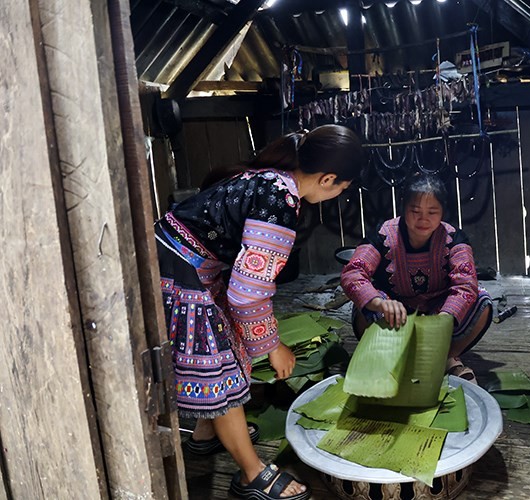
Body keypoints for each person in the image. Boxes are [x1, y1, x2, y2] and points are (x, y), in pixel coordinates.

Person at [155, 124, 362, 500]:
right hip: (176, 270)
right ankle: (253, 474)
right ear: (329, 179)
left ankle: (205, 434)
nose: (336, 196)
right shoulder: (280, 202)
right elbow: (247, 296)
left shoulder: (271, 178)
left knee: (227, 347)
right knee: (222, 371)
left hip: (179, 261)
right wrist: (272, 346)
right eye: (340, 190)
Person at [340, 174, 492, 384]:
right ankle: (392, 358)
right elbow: (353, 273)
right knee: (364, 306)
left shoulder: (454, 238)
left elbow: (465, 284)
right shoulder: (383, 235)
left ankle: (445, 357)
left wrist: (444, 319)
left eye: (432, 212)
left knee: (481, 301)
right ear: (404, 208)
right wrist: (379, 303)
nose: (423, 219)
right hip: (394, 315)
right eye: (415, 211)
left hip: (438, 313)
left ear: (442, 212)